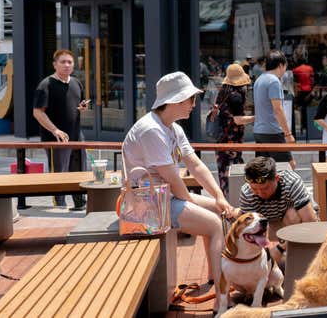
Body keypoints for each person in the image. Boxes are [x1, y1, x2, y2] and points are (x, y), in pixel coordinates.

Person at [122, 71, 235, 306]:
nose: (195, 105)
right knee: (214, 223)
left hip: (164, 197)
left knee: (217, 209)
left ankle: (216, 280)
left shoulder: (172, 127)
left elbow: (195, 164)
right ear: (175, 100)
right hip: (147, 207)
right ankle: (222, 301)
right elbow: (172, 177)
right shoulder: (151, 130)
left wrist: (219, 196)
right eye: (191, 99)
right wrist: (193, 202)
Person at [32, 49, 88, 210]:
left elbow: (78, 104)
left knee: (79, 170)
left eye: (69, 62)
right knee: (60, 173)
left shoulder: (76, 83)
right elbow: (37, 112)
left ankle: (80, 203)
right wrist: (55, 130)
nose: (66, 65)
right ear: (55, 64)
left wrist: (82, 107)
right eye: (63, 62)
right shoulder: (45, 85)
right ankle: (60, 206)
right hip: (55, 138)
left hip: (77, 135)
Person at [237, 156, 318, 264]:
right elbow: (251, 229)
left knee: (292, 215)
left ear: (277, 178)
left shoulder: (292, 182)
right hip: (269, 225)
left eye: (265, 188)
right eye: (254, 189)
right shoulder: (246, 192)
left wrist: (280, 248)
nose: (260, 194)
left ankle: (296, 258)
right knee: (240, 220)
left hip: (297, 223)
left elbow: (310, 221)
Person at [215, 64, 254, 196]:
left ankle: (225, 201)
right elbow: (237, 120)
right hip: (232, 141)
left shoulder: (223, 92)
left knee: (224, 173)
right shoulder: (236, 96)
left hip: (221, 139)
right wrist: (256, 118)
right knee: (234, 172)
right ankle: (234, 203)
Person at [253, 50, 296, 169]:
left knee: (266, 170)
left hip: (259, 131)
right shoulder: (274, 81)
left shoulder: (259, 80)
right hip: (273, 131)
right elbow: (278, 109)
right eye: (285, 67)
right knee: (289, 166)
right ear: (281, 65)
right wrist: (288, 133)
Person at [292, 58, 315, 136]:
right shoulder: (310, 68)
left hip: (301, 91)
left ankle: (303, 125)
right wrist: (312, 89)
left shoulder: (296, 70)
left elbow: (295, 82)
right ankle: (308, 125)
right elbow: (312, 80)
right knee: (308, 108)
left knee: (302, 109)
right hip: (308, 90)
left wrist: (296, 94)